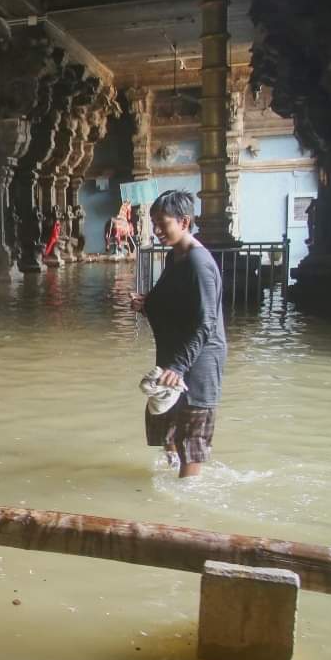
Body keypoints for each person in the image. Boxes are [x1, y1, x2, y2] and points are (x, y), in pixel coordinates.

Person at [129, 190, 226, 478]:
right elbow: (174, 302)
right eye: (153, 223)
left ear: (184, 222)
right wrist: (147, 305)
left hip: (197, 363)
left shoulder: (199, 264)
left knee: (190, 436)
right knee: (165, 424)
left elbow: (206, 323)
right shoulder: (176, 258)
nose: (156, 230)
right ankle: (167, 483)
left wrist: (180, 367)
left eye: (162, 223)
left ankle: (186, 499)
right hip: (175, 357)